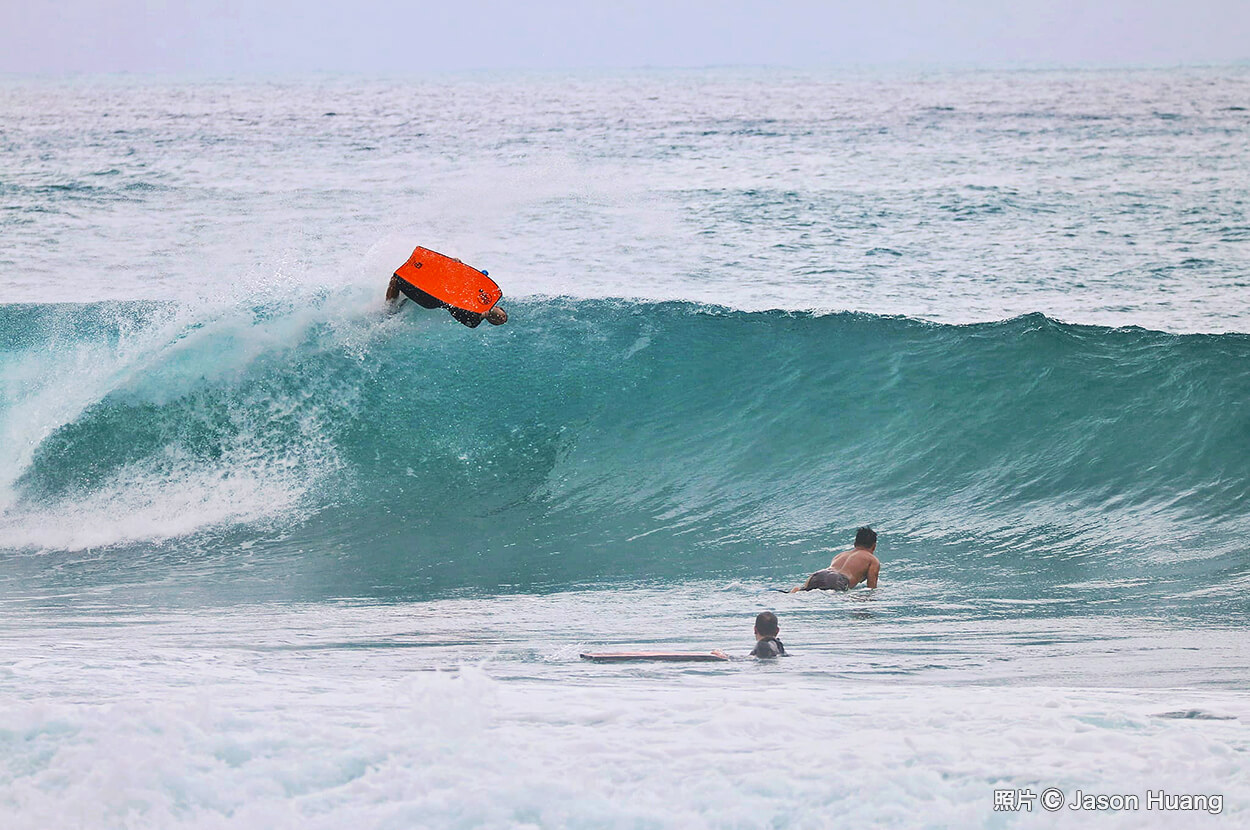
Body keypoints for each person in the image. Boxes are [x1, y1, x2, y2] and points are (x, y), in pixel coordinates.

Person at [386, 272, 508, 328]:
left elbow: (464, 317)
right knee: (399, 277)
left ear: (491, 322)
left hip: (431, 300)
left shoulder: (474, 321)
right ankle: (395, 303)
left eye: (499, 322)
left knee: (396, 280)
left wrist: (482, 315)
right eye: (503, 316)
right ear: (498, 307)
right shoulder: (482, 295)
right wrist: (457, 265)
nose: (501, 319)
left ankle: (389, 309)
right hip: (436, 287)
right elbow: (466, 278)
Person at [790, 526, 880, 592]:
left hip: (818, 574)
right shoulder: (872, 560)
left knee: (804, 591)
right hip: (837, 580)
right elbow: (871, 588)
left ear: (855, 543)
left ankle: (796, 590)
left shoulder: (841, 555)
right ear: (874, 546)